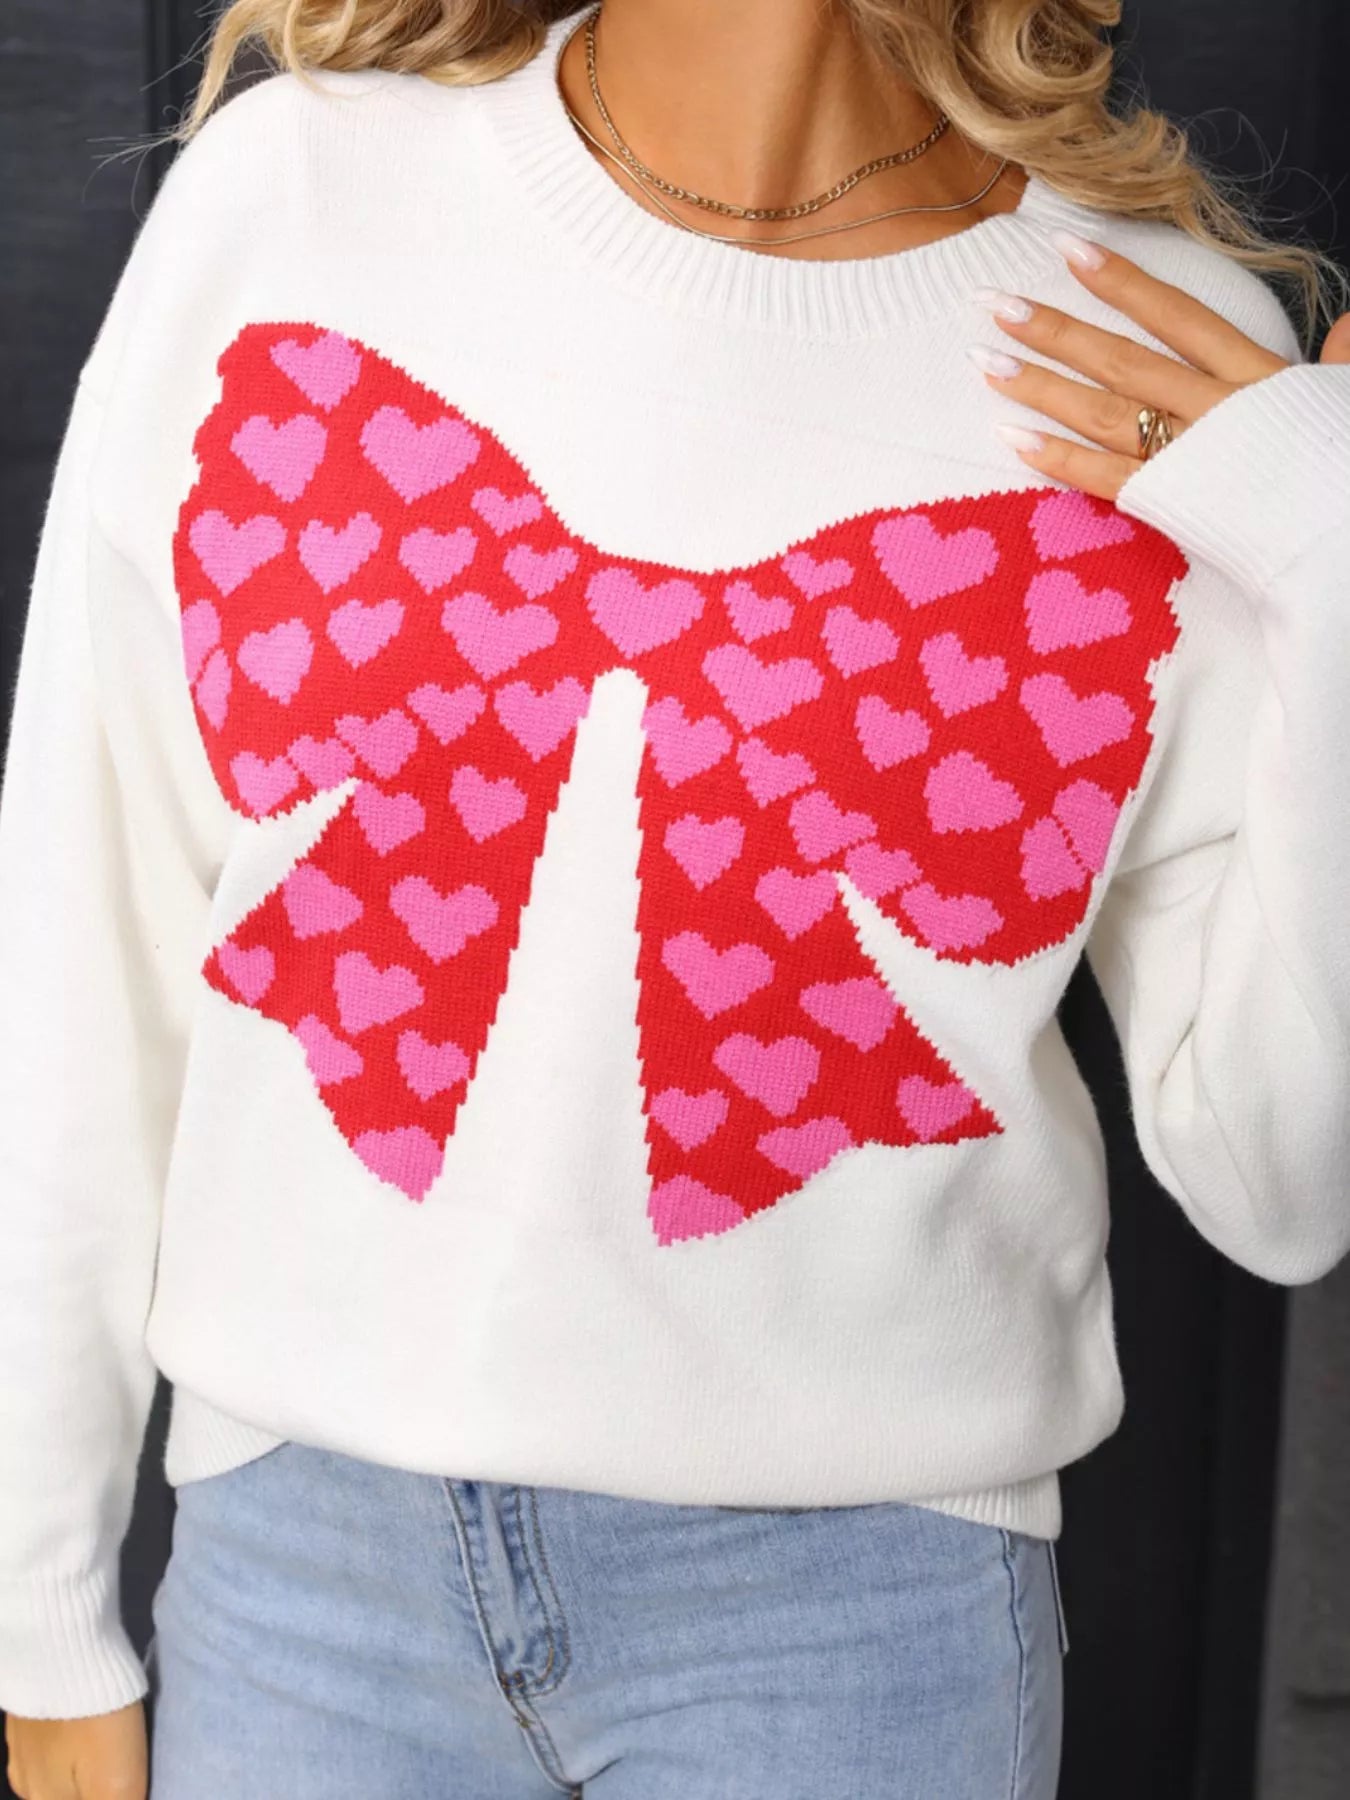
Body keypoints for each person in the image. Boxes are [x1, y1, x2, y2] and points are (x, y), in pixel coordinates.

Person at [3, 1, 1349, 1795]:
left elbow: (1281, 1190)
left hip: (859, 1629)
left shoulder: (1155, 340)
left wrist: (1332, 548)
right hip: (300, 1581)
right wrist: (41, 1616)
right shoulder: (300, 194)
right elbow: (84, 945)